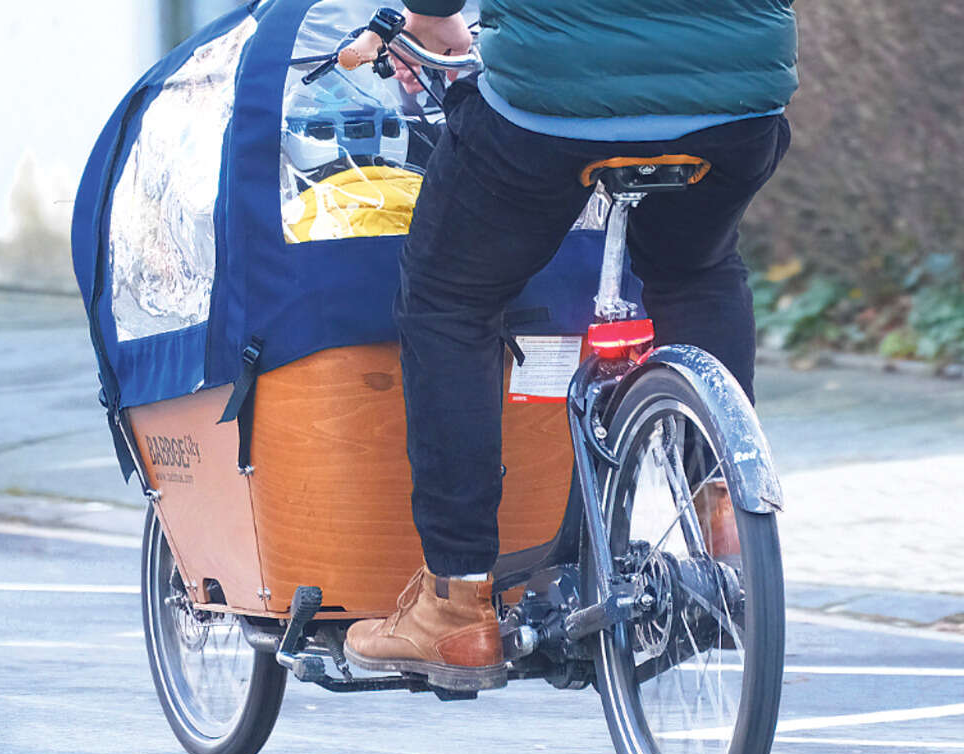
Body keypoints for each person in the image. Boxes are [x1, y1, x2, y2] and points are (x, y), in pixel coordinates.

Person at [342, 0, 798, 690]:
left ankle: (456, 604)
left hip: (555, 98)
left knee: (451, 300)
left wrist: (430, 19)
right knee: (695, 269)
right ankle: (729, 532)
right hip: (738, 95)